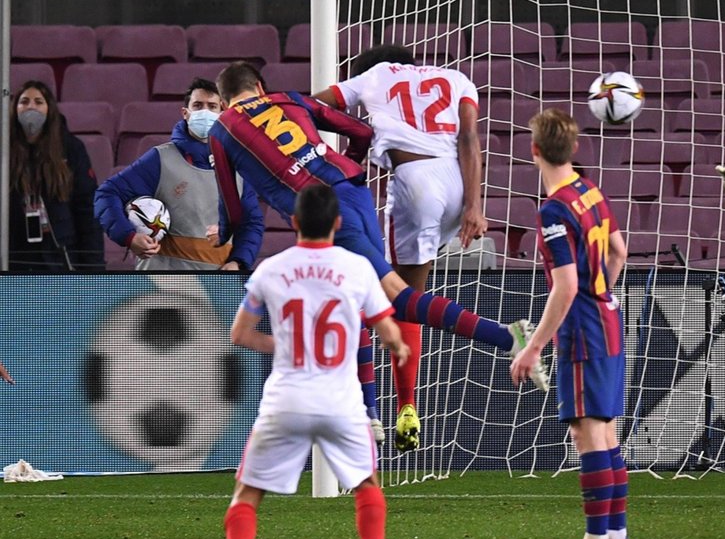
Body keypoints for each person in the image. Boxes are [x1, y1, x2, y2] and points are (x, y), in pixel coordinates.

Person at [208, 61, 546, 453]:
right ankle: (369, 413)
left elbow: (231, 204)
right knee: (360, 297)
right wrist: (344, 163)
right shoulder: (288, 99)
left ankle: (507, 336)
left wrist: (227, 234)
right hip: (352, 189)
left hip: (324, 210)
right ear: (260, 86)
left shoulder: (223, 129)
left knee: (396, 297)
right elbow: (361, 130)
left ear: (224, 100)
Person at [205, 184, 408, 539]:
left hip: (286, 400)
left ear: (293, 223)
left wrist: (284, 346)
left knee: (247, 493)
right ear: (338, 224)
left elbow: (239, 335)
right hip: (341, 401)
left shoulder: (269, 270)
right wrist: (398, 348)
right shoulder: (357, 268)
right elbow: (390, 334)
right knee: (368, 487)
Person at [313, 44, 488, 457]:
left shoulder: (376, 75)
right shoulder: (458, 79)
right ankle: (406, 405)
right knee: (410, 296)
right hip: (458, 186)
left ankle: (374, 405)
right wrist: (475, 207)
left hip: (415, 179)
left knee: (391, 296)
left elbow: (314, 104)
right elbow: (469, 138)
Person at [510, 108, 631, 539]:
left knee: (587, 435)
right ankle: (616, 538)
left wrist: (534, 347)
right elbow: (619, 250)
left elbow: (565, 285)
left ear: (534, 149)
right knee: (607, 432)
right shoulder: (589, 189)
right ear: (574, 148)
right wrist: (604, 292)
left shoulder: (555, 208)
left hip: (583, 328)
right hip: (609, 317)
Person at [94, 78, 262, 271]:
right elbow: (107, 194)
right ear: (185, 113)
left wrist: (238, 262)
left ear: (223, 114)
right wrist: (129, 237)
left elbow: (251, 223)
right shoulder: (160, 159)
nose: (204, 112)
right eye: (198, 106)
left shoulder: (240, 168)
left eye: (212, 106)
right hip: (161, 289)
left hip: (217, 291)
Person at [8, 80, 105, 272]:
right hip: (13, 252)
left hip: (59, 253)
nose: (31, 107)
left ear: (49, 109)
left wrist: (93, 267)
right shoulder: (5, 149)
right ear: (14, 108)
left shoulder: (71, 149)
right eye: (24, 102)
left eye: (38, 102)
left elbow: (87, 208)